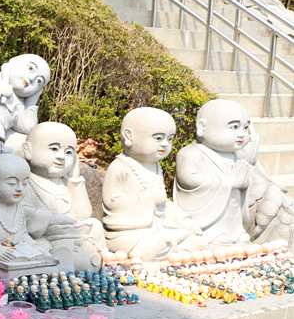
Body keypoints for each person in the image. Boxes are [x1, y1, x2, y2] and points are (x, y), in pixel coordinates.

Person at [102, 108, 205, 262]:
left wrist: (184, 220)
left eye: (169, 139)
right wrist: (149, 198)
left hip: (162, 225)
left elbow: (163, 202)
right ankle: (171, 255)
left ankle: (174, 255)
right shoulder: (120, 167)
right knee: (150, 247)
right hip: (134, 230)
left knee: (198, 241)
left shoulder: (156, 166)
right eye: (158, 138)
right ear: (129, 136)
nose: (165, 144)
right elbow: (112, 204)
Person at [21, 121, 105, 270]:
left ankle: (104, 262)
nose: (61, 157)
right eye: (54, 149)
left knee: (96, 224)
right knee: (39, 244)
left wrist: (75, 179)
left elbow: (84, 215)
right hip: (48, 235)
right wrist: (51, 219)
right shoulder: (26, 181)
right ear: (28, 150)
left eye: (68, 153)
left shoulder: (66, 183)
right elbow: (23, 216)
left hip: (74, 234)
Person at [0, 154, 74, 271]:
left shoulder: (19, 207)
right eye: (12, 183)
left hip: (17, 256)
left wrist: (35, 247)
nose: (20, 188)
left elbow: (23, 234)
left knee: (42, 252)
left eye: (25, 183)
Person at [174, 100, 252, 246]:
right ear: (202, 127)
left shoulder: (235, 155)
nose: (242, 134)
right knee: (217, 237)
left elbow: (242, 180)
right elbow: (188, 180)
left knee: (236, 225)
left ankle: (235, 232)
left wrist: (244, 182)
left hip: (232, 212)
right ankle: (215, 233)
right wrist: (230, 182)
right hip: (206, 217)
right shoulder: (190, 153)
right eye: (234, 127)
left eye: (245, 127)